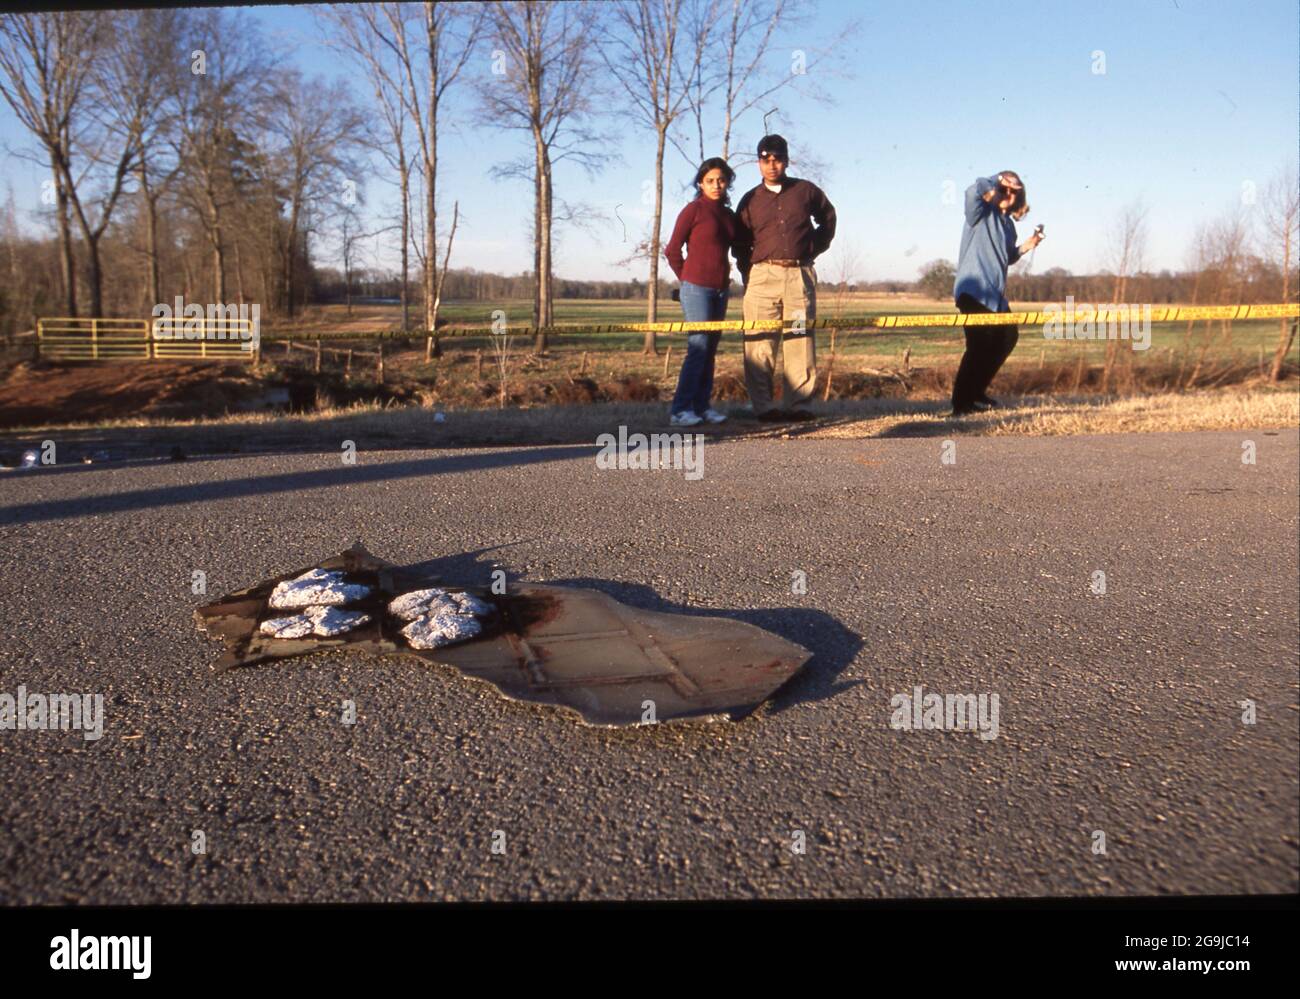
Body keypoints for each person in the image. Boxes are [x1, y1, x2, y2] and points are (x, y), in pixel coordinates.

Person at [732, 134, 836, 422]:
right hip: (762, 278)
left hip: (798, 279)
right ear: (758, 163)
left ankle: (798, 405)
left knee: (799, 337)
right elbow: (739, 242)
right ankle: (763, 407)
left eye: (777, 159)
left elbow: (828, 219)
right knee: (759, 342)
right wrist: (749, 273)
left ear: (787, 161)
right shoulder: (750, 200)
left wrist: (812, 248)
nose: (772, 165)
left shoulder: (806, 191)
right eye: (765, 160)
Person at [950, 170, 1044, 416]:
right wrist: (995, 183)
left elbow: (1008, 257)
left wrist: (1028, 245)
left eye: (1014, 192)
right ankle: (961, 403)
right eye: (1004, 189)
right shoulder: (980, 213)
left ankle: (976, 392)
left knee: (1008, 337)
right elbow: (972, 190)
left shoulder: (1008, 225)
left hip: (995, 296)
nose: (1008, 194)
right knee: (979, 345)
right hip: (973, 290)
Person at [663, 157, 738, 427]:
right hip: (696, 290)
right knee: (698, 347)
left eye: (721, 180)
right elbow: (672, 250)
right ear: (700, 184)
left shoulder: (728, 216)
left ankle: (702, 407)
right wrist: (687, 281)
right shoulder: (693, 210)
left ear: (727, 183)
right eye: (710, 181)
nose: (716, 185)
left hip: (721, 290)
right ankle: (680, 410)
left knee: (710, 350)